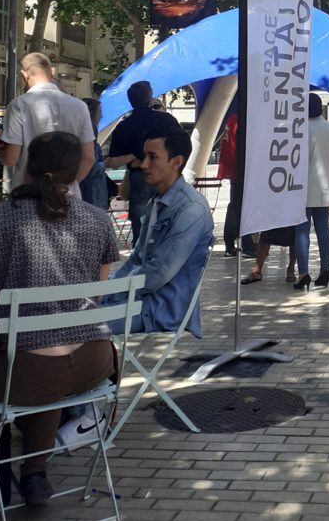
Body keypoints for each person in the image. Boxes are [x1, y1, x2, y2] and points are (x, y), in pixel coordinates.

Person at [0, 132, 119, 506]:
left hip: (26, 371)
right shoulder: (98, 220)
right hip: (93, 363)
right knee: (48, 361)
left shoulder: (2, 219)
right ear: (76, 173)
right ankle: (34, 472)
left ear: (28, 165)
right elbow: (100, 293)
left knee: (21, 360)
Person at [102, 126, 213, 336]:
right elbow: (136, 259)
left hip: (160, 311)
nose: (143, 164)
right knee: (66, 318)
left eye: (153, 157)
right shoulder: (157, 201)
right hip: (139, 303)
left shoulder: (191, 209)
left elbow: (157, 274)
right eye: (144, 156)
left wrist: (106, 294)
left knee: (73, 325)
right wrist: (103, 291)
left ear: (176, 162)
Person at [0, 53, 95, 199]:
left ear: (24, 75)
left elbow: (11, 159)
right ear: (52, 73)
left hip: (28, 195)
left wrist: (0, 147)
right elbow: (89, 158)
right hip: (67, 196)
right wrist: (68, 183)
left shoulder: (19, 105)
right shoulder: (80, 107)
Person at [105, 81, 183, 244]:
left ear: (130, 101)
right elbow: (182, 145)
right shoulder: (166, 120)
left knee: (140, 230)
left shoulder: (124, 126)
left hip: (139, 176)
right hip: (165, 176)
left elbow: (112, 162)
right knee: (168, 222)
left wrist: (135, 156)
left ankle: (141, 260)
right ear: (150, 100)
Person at [294, 94, 329, 291]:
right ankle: (325, 270)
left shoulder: (300, 128)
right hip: (324, 185)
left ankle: (303, 272)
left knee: (302, 230)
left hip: (302, 186)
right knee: (323, 229)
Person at [217, 112, 257, 260]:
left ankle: (230, 244)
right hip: (243, 170)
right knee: (243, 207)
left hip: (234, 169)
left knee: (235, 205)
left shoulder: (233, 118)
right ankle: (247, 245)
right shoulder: (245, 120)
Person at [79, 98, 109, 210]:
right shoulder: (88, 136)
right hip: (93, 197)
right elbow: (90, 165)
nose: (101, 117)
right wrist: (105, 164)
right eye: (99, 113)